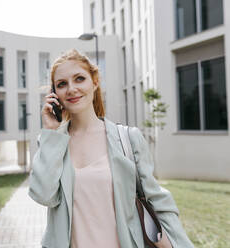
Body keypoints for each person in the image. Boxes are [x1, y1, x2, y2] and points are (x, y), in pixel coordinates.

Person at [28, 49, 194, 248]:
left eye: (79, 79)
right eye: (62, 84)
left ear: (95, 82)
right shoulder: (52, 142)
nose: (71, 89)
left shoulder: (128, 139)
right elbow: (43, 195)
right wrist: (51, 132)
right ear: (54, 94)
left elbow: (158, 202)